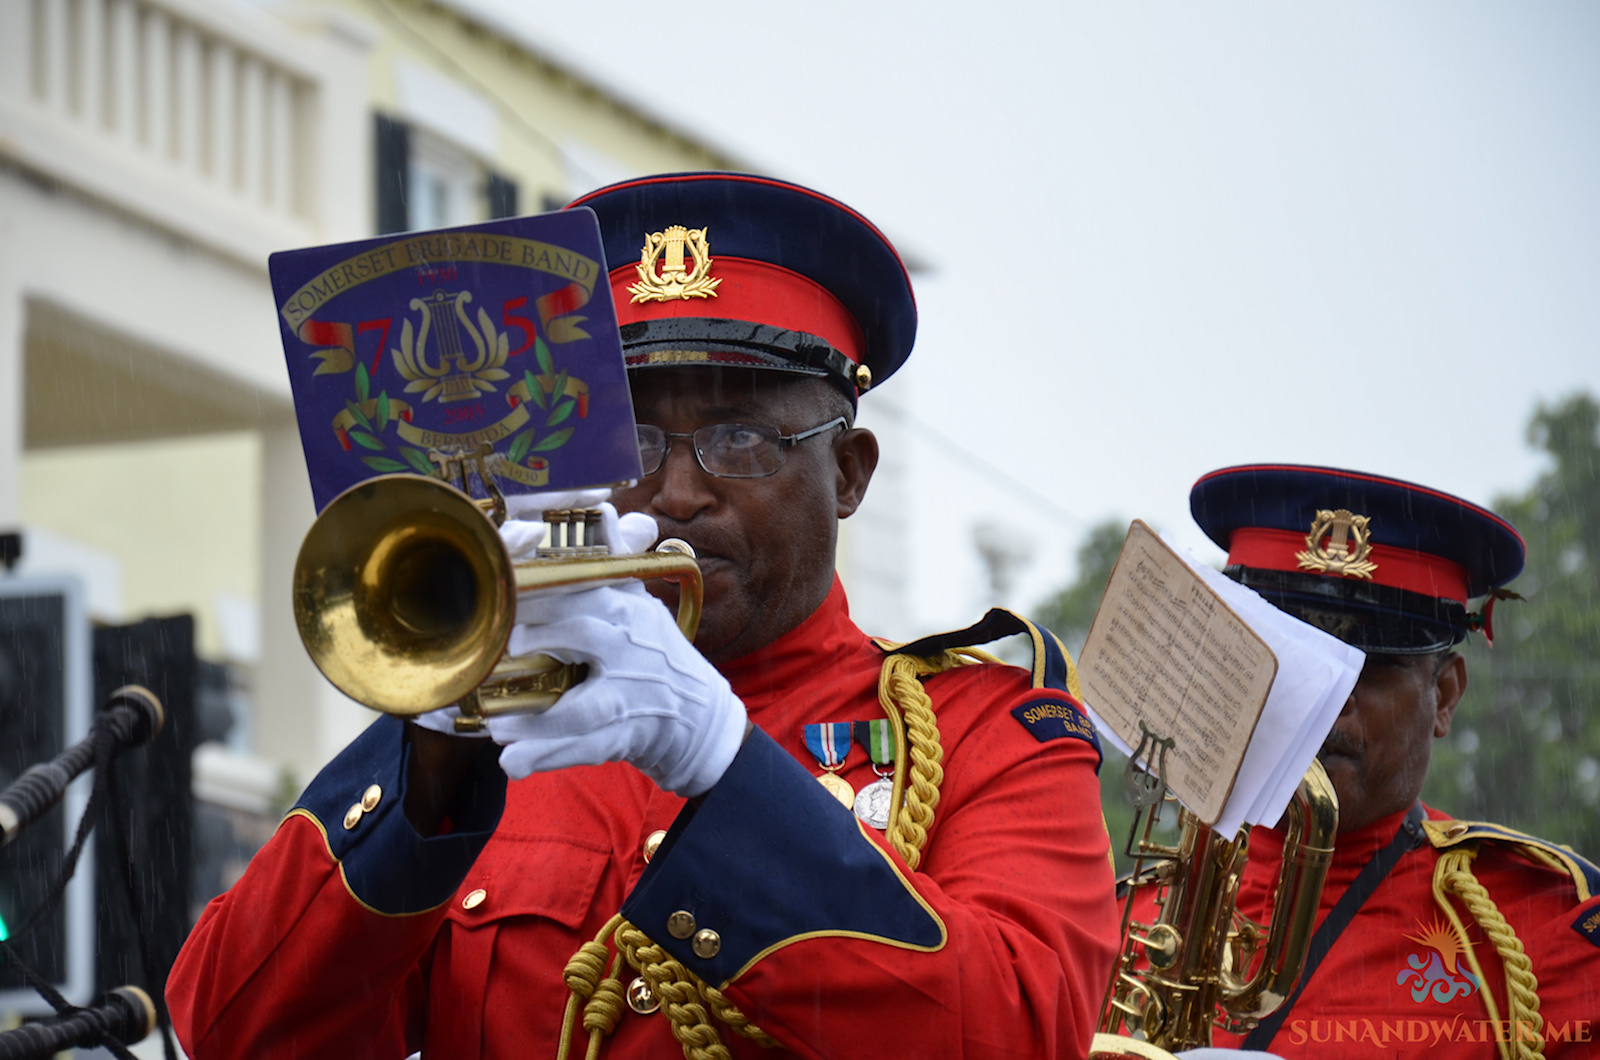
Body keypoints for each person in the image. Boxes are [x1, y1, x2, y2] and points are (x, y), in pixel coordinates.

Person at [167, 172, 1119, 1058]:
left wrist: (725, 766)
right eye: (634, 437)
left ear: (850, 474)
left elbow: (1018, 1030)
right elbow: (229, 1027)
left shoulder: (993, 736)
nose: (673, 492)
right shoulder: (508, 736)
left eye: (740, 436)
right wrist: (427, 762)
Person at [1174, 464, 1600, 1058]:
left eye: (1370, 664)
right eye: (1294, 657)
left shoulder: (1547, 928)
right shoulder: (1124, 914)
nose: (1329, 697)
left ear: (1445, 696)